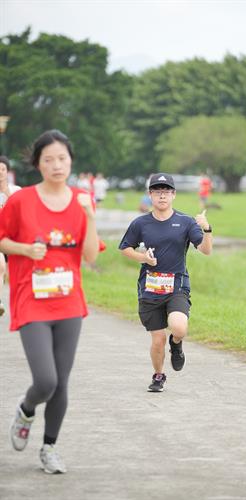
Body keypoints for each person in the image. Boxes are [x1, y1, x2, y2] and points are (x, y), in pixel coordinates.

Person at [0, 130, 99, 474]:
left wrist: (88, 215)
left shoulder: (83, 200)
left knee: (62, 382)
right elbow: (2, 240)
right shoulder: (21, 201)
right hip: (32, 300)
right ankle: (27, 408)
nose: (57, 165)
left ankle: (49, 448)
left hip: (69, 302)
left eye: (62, 158)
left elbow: (89, 257)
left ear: (71, 160)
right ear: (37, 164)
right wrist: (25, 249)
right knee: (46, 381)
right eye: (49, 159)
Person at [119, 173, 212, 392]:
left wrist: (206, 229)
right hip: (150, 288)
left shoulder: (186, 222)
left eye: (166, 191)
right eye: (157, 192)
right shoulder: (141, 223)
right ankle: (159, 375)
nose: (162, 196)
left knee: (178, 327)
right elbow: (125, 248)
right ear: (150, 195)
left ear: (174, 195)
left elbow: (206, 250)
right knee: (158, 338)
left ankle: (177, 344)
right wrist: (143, 258)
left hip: (177, 286)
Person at [0, 155, 21, 316]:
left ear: (7, 171)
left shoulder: (16, 190)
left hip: (14, 239)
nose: (0, 172)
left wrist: (6, 191)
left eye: (3, 169)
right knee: (0, 265)